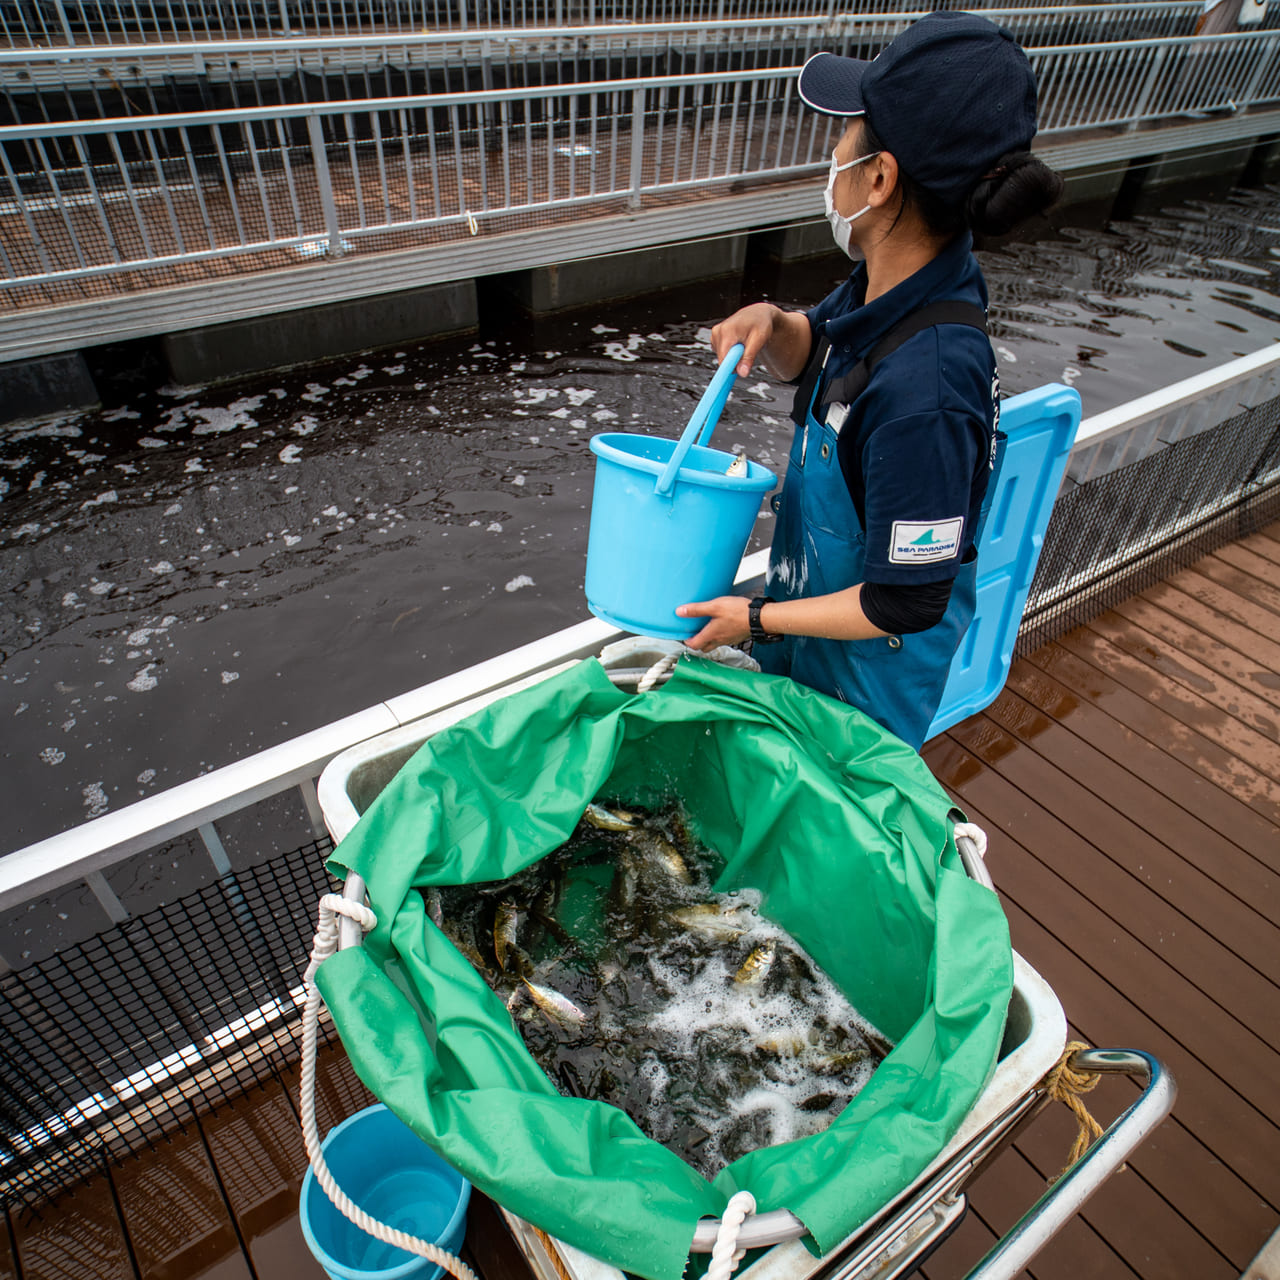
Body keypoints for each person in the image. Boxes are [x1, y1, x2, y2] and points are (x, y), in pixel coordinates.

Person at [676, 12, 1064, 750]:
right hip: (812, 639)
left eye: (846, 131)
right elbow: (821, 344)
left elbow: (907, 599)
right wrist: (777, 324)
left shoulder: (932, 389)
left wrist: (753, 619)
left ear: (879, 177)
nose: (832, 152)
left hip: (863, 695)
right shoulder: (890, 285)